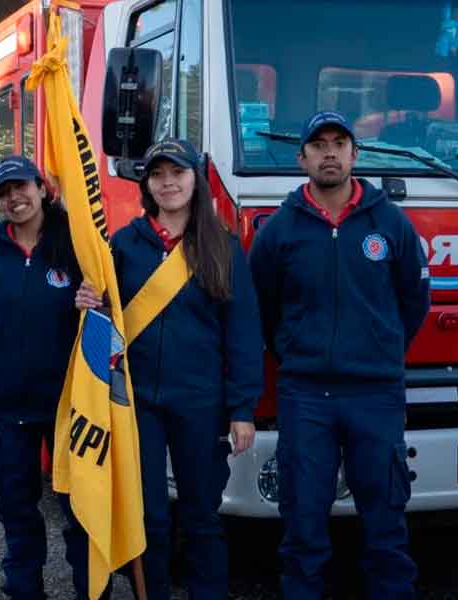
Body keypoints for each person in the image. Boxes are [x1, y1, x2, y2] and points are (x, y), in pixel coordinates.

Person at [249, 111, 430, 599]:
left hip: (375, 394)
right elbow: (261, 307)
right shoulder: (280, 230)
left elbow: (414, 302)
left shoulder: (391, 223)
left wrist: (380, 348)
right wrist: (291, 351)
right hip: (307, 396)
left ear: (355, 154)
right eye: (319, 144)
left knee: (386, 528)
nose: (329, 152)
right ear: (301, 157)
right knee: (303, 529)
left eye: (339, 143)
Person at [76, 139, 264, 599]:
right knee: (148, 517)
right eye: (158, 175)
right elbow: (105, 324)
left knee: (202, 516)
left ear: (195, 180)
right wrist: (86, 304)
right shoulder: (121, 245)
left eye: (177, 173)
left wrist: (242, 408)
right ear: (146, 186)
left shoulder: (221, 247)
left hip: (201, 402)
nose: (168, 183)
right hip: (136, 404)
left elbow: (242, 333)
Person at [0, 155, 99, 600]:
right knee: (17, 511)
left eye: (21, 187)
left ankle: (90, 591)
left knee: (79, 511)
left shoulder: (75, 245)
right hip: (8, 408)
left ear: (42, 189)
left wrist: (91, 302)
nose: (14, 198)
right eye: (3, 193)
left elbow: (102, 314)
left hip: (69, 407)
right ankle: (24, 591)